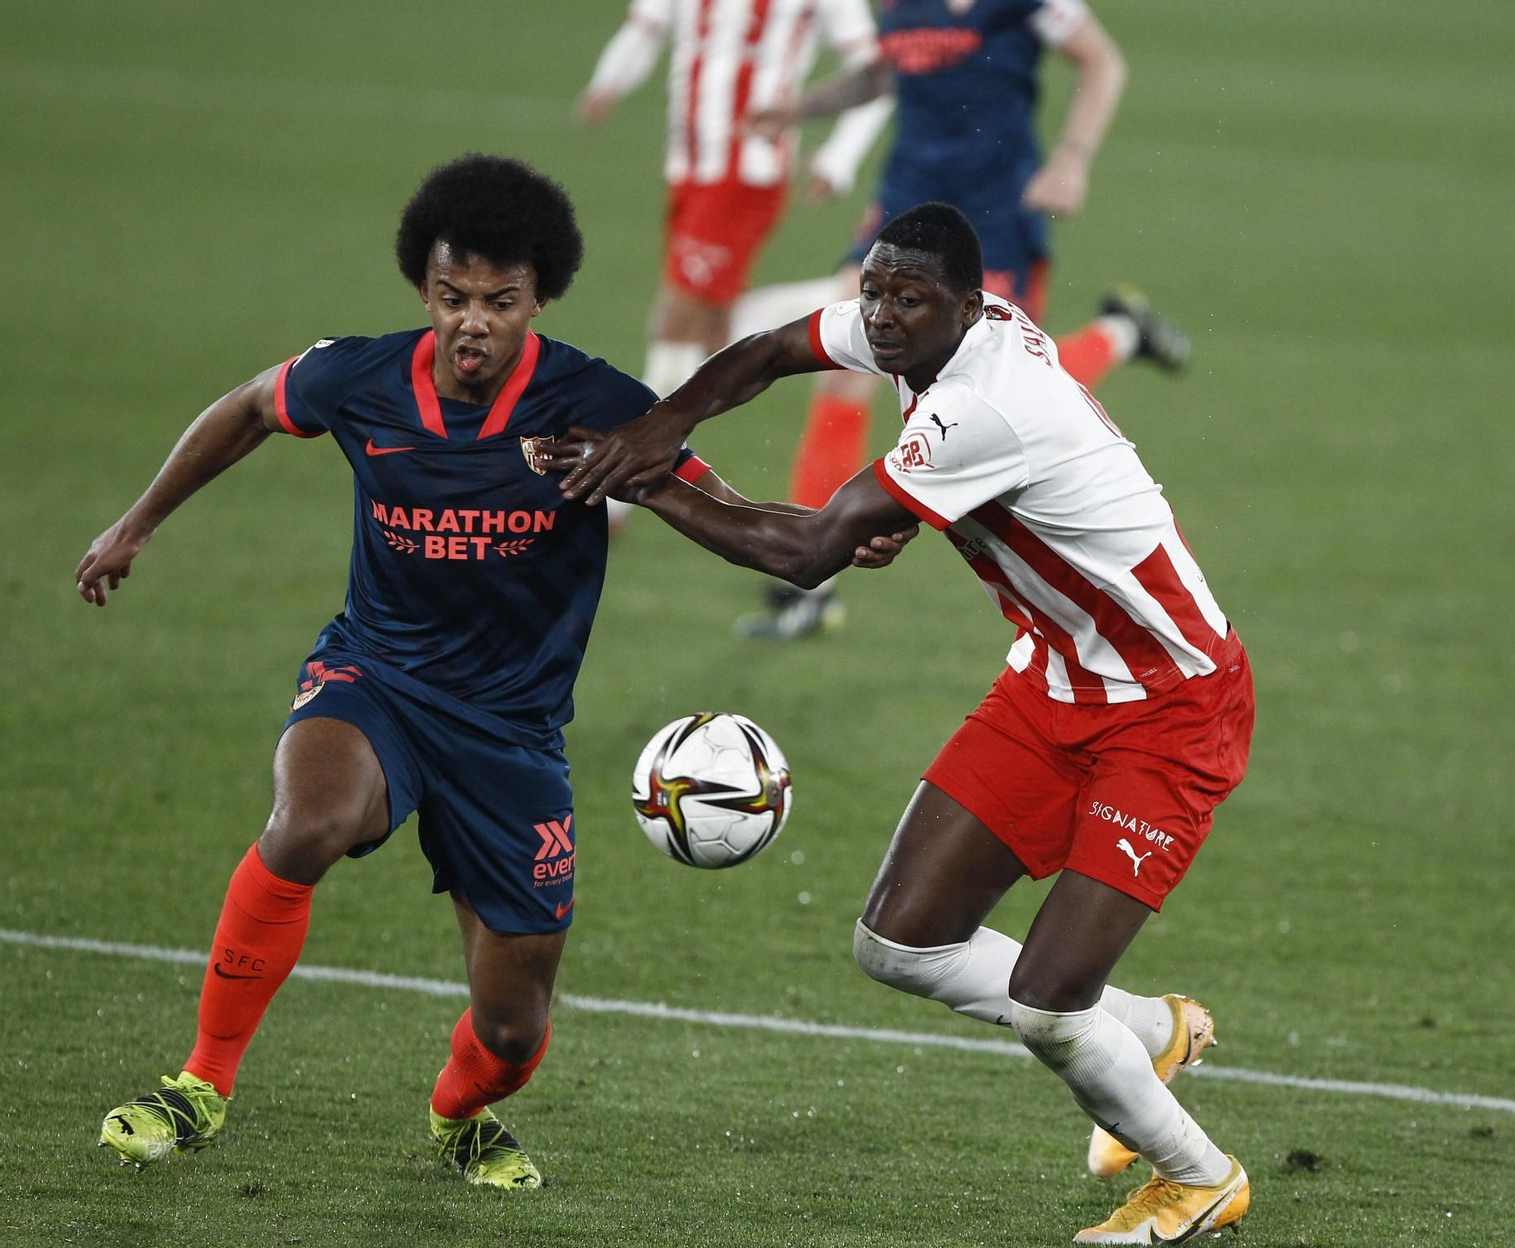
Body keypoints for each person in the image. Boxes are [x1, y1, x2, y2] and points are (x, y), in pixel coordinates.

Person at [77, 152, 912, 1190]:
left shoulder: (594, 405)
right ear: (423, 289)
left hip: (513, 733)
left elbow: (727, 513)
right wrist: (135, 524)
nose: (474, 322)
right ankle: (200, 1083)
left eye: (501, 301)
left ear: (539, 298)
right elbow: (250, 407)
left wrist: (829, 533)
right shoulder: (359, 378)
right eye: (452, 297)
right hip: (375, 677)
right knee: (310, 823)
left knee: (514, 1031)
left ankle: (458, 1116)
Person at [545, 202, 1254, 1243]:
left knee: (1051, 999)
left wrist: (651, 481)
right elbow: (775, 348)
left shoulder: (985, 405)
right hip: (1053, 679)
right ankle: (1151, 1032)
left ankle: (1198, 1178)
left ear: (968, 305)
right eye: (872, 289)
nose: (877, 315)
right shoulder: (923, 325)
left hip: (1170, 706)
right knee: (899, 941)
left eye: (903, 298)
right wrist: (667, 421)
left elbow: (803, 554)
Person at [735, 0, 1191, 640]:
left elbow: (1101, 61)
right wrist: (799, 109)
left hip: (996, 218)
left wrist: (1072, 158)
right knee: (842, 375)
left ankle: (1123, 332)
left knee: (1024, 387)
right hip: (905, 211)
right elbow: (883, 73)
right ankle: (813, 584)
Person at [576, 0, 894, 405]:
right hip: (686, 168)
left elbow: (877, 70)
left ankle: (647, 436)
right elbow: (647, 26)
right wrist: (609, 82)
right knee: (712, 331)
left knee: (677, 315)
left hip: (746, 173)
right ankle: (840, 302)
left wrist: (839, 159)